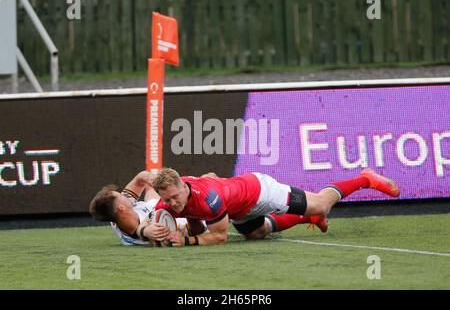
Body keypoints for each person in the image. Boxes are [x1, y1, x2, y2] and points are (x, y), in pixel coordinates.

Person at [151, 168, 399, 247]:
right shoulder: (172, 197)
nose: (172, 204)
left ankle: (364, 179)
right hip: (238, 206)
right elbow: (193, 217)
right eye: (168, 199)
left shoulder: (209, 198)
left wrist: (185, 241)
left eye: (175, 197)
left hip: (260, 191)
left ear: (183, 187)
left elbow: (219, 236)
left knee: (321, 206)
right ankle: (307, 220)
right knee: (255, 234)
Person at [89, 170, 327, 246]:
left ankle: (312, 210)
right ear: (119, 209)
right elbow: (138, 231)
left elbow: (141, 178)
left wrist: (157, 180)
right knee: (256, 232)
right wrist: (144, 232)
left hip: (178, 208)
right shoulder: (134, 228)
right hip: (190, 220)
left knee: (211, 183)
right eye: (118, 196)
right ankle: (309, 217)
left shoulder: (124, 209)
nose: (123, 194)